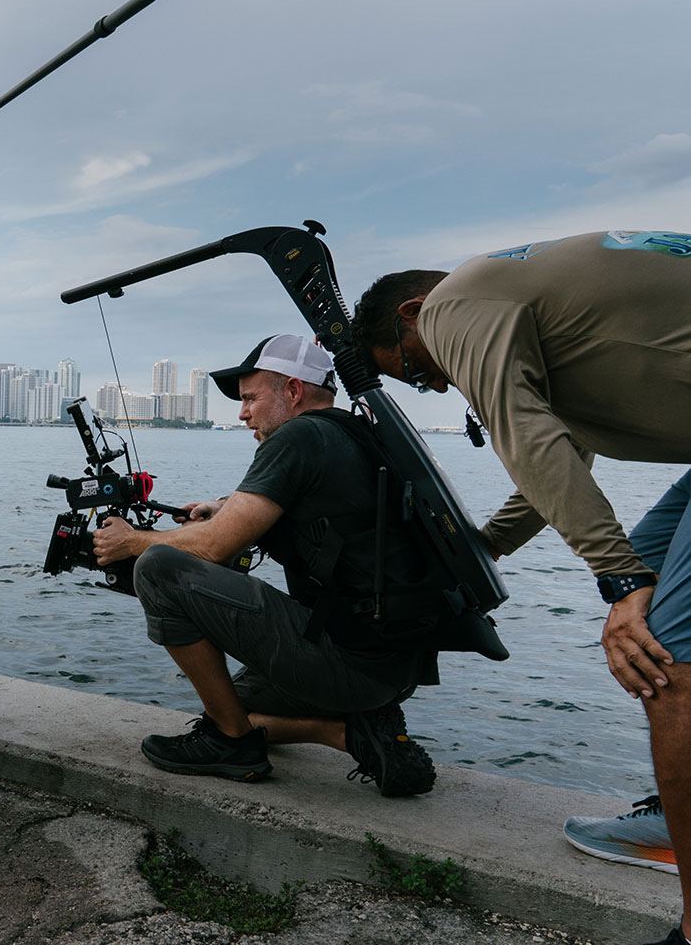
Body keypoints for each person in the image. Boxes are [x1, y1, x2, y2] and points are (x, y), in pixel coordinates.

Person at [353, 230, 691, 945]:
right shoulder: (531, 294)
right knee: (664, 613)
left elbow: (529, 437)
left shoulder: (454, 303)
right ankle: (678, 809)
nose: (436, 385)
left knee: (667, 652)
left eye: (412, 371)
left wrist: (621, 578)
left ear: (412, 313)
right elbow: (563, 448)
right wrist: (486, 545)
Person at [92, 334, 438, 797]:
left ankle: (233, 747)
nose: (242, 413)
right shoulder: (353, 432)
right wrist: (223, 506)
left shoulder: (299, 434)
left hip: (348, 661)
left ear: (293, 391)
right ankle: (350, 732)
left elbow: (215, 548)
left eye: (251, 398)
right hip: (392, 665)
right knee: (227, 706)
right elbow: (292, 509)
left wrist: (132, 540)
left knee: (157, 566)